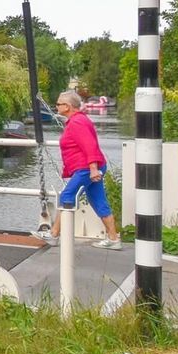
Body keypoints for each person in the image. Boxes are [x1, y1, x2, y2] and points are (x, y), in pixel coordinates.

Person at [47, 90, 123, 249]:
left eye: (58, 104)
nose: (56, 106)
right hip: (89, 167)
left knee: (67, 196)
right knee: (98, 200)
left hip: (86, 169)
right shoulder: (78, 120)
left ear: (67, 107)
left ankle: (54, 234)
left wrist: (93, 169)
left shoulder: (77, 122)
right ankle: (113, 238)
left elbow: (89, 145)